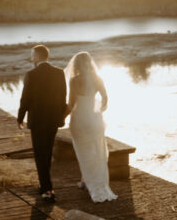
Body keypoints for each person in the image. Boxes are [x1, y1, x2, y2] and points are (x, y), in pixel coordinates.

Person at [17, 44, 68, 202]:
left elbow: (25, 99)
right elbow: (63, 97)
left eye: (32, 55)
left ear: (38, 56)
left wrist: (20, 118)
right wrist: (61, 117)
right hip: (53, 120)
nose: (31, 57)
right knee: (47, 152)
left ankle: (47, 190)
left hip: (38, 121)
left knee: (40, 154)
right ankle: (45, 184)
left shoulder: (31, 74)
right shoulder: (59, 73)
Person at [66, 51, 117, 202]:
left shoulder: (74, 81)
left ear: (76, 65)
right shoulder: (97, 79)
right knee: (96, 152)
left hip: (79, 120)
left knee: (83, 153)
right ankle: (89, 182)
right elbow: (105, 98)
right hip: (95, 120)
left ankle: (90, 184)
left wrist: (61, 117)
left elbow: (71, 103)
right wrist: (99, 109)